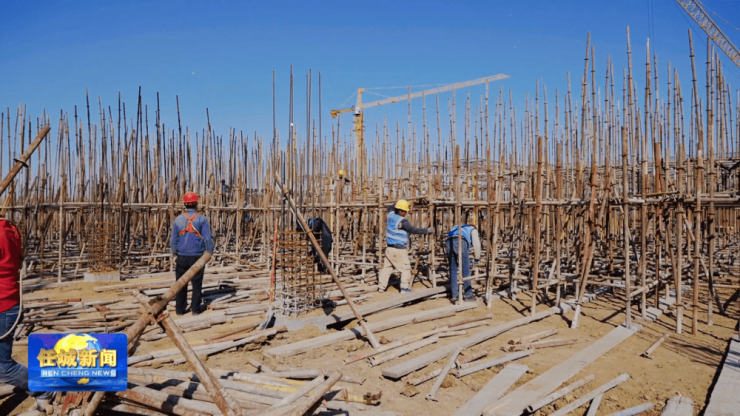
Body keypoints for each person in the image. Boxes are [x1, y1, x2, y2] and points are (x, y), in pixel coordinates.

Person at [0, 215, 53, 413]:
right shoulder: (7, 227)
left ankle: (43, 389)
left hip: (3, 304)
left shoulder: (2, 233)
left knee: (3, 367)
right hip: (7, 301)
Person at [171, 192, 214, 315]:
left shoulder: (178, 220)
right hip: (197, 257)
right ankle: (195, 309)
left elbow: (173, 239)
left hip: (182, 256)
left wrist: (174, 254)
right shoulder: (201, 219)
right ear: (196, 204)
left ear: (184, 204)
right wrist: (209, 252)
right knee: (197, 284)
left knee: (180, 283)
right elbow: (207, 238)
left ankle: (180, 310)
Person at [378, 199, 434, 293]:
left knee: (387, 268)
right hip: (399, 250)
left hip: (389, 248)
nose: (405, 213)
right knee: (406, 269)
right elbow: (412, 230)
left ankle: (381, 287)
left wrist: (405, 201)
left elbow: (391, 207)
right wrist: (427, 231)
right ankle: (404, 288)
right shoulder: (402, 221)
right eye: (404, 211)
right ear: (399, 211)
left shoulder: (390, 215)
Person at [446, 214, 481, 302]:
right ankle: (468, 295)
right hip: (460, 241)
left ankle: (455, 295)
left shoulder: (457, 226)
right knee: (466, 268)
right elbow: (477, 245)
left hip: (448, 241)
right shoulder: (473, 229)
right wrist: (477, 258)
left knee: (453, 269)